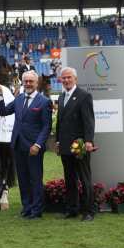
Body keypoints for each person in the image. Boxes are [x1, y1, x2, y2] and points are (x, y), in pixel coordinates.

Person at [0, 70, 52, 219]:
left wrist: (38, 145)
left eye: (30, 81)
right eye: (25, 81)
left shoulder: (44, 102)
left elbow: (47, 127)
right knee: (23, 179)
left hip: (34, 148)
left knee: (35, 179)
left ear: (36, 82)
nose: (28, 84)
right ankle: (26, 208)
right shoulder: (19, 98)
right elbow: (3, 111)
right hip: (18, 146)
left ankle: (36, 210)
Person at [55, 67, 95, 222]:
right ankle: (72, 209)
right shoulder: (61, 96)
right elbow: (59, 122)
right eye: (63, 78)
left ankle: (89, 211)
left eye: (69, 77)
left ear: (75, 79)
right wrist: (58, 141)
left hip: (80, 146)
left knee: (84, 179)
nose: (66, 80)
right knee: (69, 179)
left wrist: (89, 141)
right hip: (65, 146)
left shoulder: (84, 96)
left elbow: (89, 122)